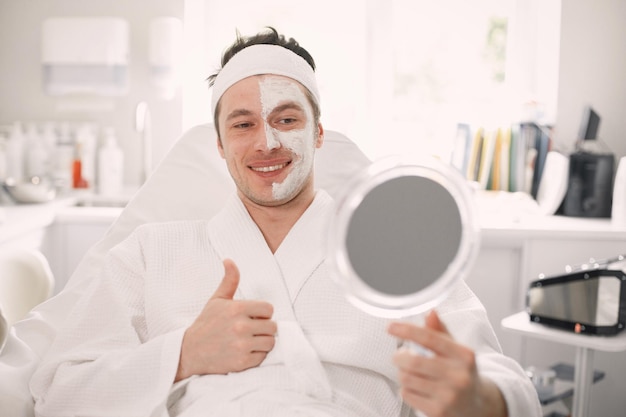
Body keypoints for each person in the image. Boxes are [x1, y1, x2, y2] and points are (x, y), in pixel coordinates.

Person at [30, 27, 541, 417]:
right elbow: (59, 390)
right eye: (243, 124)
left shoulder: (391, 255)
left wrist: (482, 397)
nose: (267, 142)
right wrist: (182, 354)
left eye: (287, 119)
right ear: (219, 144)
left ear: (319, 133)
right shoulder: (151, 252)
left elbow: (499, 375)